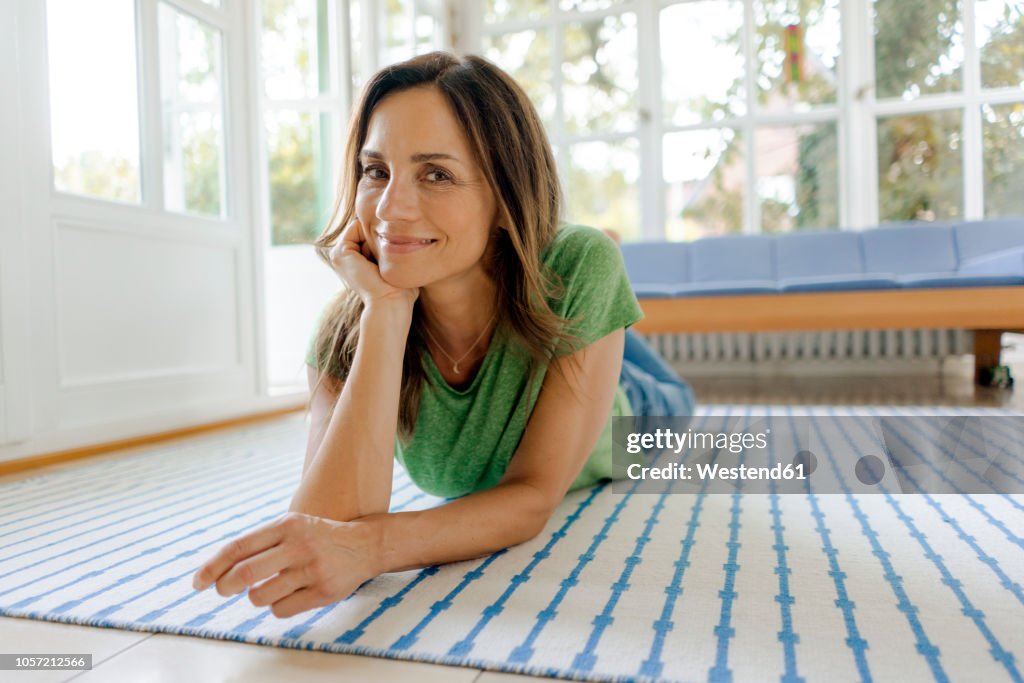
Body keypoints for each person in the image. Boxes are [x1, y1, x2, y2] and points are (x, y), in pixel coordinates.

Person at [192, 51, 694, 618]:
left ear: (507, 198)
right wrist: (385, 309)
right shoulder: (341, 336)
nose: (390, 208)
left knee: (677, 404)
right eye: (376, 171)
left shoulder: (581, 264)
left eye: (436, 175)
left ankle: (607, 328)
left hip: (630, 416)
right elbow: (322, 530)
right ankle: (596, 325)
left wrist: (371, 548)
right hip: (528, 308)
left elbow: (531, 499)